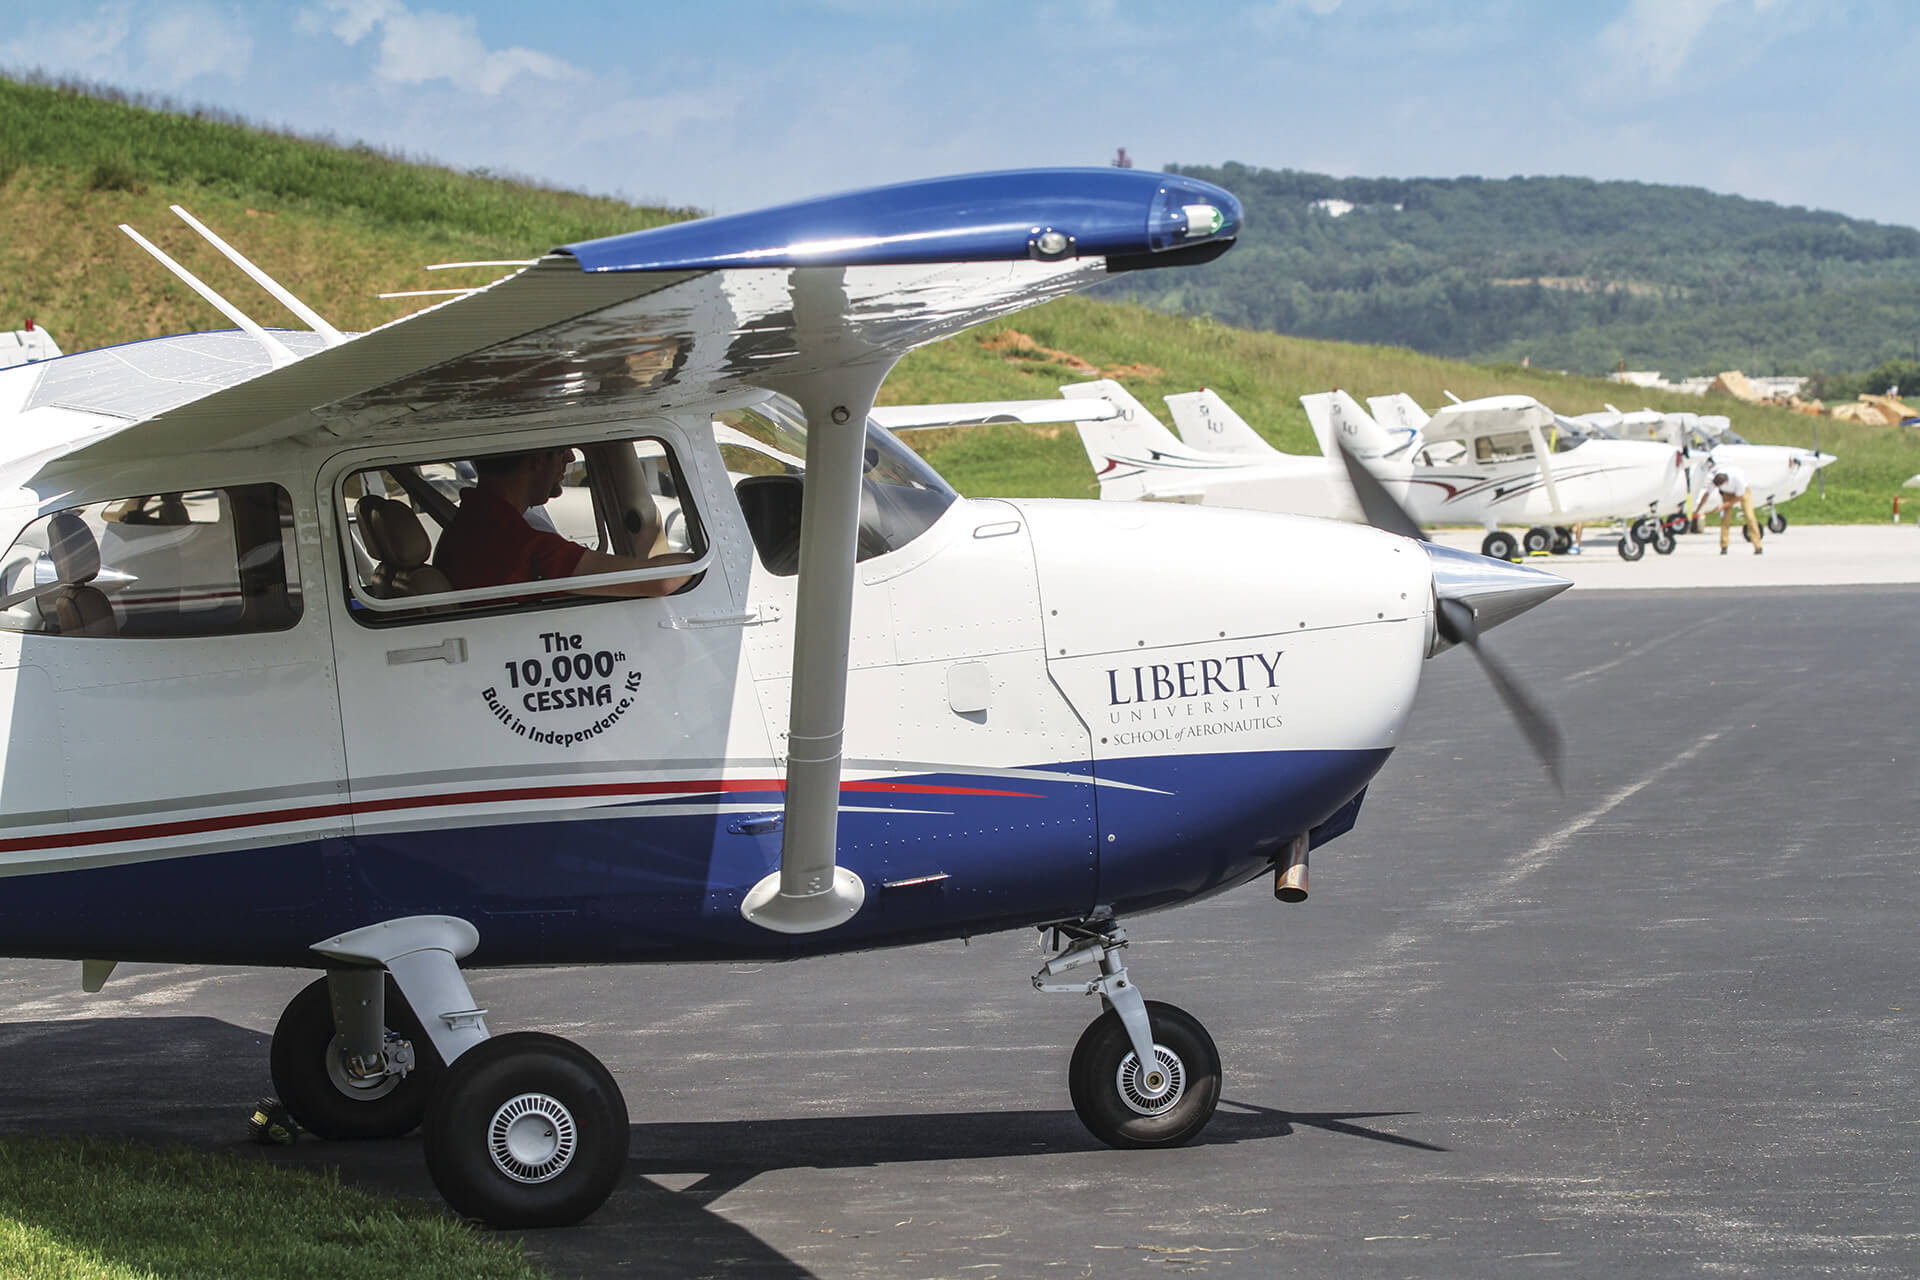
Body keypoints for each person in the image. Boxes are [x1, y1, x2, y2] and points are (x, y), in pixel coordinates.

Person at [433, 447, 694, 595]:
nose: (570, 457)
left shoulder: (473, 526)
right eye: (560, 451)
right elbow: (660, 581)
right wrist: (702, 559)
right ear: (536, 460)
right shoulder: (514, 543)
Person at [1706, 463, 1763, 556]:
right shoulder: (1717, 478)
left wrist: (1722, 506)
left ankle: (1758, 546)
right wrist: (1698, 509)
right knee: (1725, 519)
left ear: (1726, 482)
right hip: (1727, 494)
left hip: (1743, 493)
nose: (1718, 488)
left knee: (1750, 517)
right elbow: (1707, 494)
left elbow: (1739, 497)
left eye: (1719, 486)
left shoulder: (1738, 479)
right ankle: (1724, 546)